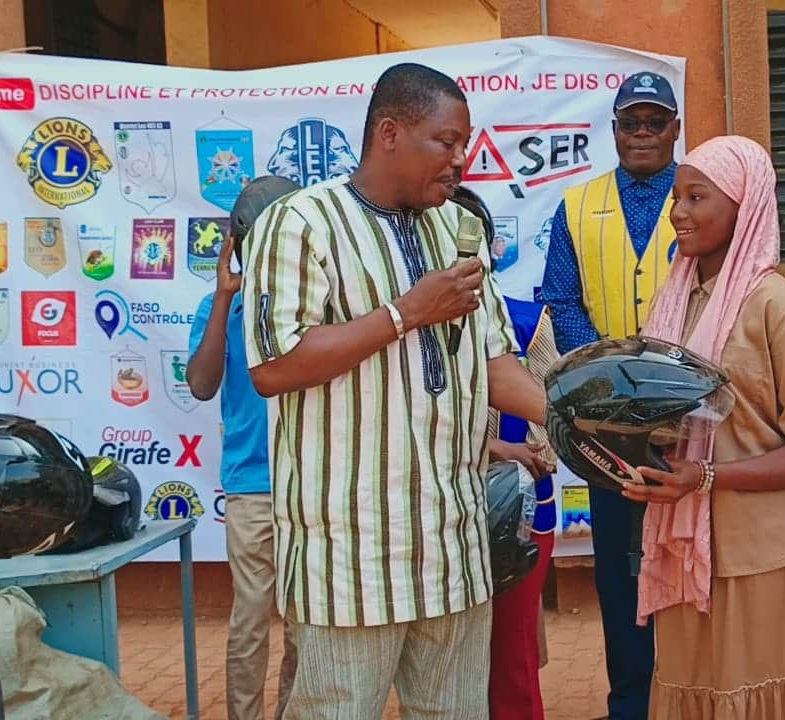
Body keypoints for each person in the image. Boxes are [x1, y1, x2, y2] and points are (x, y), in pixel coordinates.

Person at [240, 63, 547, 720]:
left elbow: (490, 360)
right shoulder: (300, 223)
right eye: (447, 141)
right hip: (349, 565)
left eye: (465, 144)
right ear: (389, 133)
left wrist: (576, 419)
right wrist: (407, 312)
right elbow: (274, 365)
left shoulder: (456, 231)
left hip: (455, 555)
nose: (461, 159)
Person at [620, 135, 785, 719]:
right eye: (676, 197)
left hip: (765, 557)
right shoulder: (674, 301)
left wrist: (705, 476)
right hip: (683, 551)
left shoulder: (777, 305)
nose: (679, 212)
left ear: (743, 206)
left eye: (697, 197)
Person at [540, 70, 681, 718]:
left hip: (689, 419)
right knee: (617, 570)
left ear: (675, 129)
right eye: (633, 122)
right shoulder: (577, 205)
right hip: (606, 424)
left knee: (687, 559)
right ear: (615, 128)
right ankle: (629, 700)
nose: (644, 133)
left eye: (656, 122)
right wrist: (611, 380)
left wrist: (664, 387)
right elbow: (562, 300)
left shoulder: (701, 194)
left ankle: (684, 692)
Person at [186, 174, 299, 720]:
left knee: (309, 622)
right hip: (253, 488)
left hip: (311, 485)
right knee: (250, 620)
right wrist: (224, 297)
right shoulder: (221, 307)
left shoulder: (316, 302)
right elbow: (202, 384)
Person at [452, 185, 558, 720]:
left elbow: (551, 437)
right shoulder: (412, 328)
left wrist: (514, 453)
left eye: (471, 242)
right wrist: (493, 445)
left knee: (511, 660)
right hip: (442, 514)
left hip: (519, 514)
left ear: (493, 248)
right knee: (450, 662)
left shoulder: (528, 319)